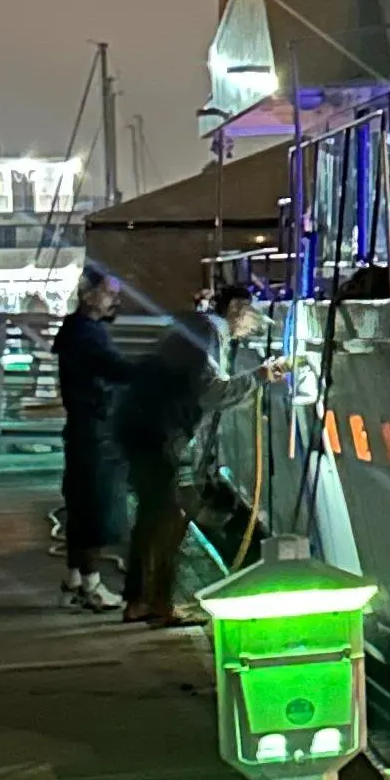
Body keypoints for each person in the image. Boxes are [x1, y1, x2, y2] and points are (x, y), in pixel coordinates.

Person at [114, 282, 282, 625]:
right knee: (166, 519)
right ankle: (156, 604)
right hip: (158, 432)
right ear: (235, 308)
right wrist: (260, 376)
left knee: (153, 517)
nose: (252, 328)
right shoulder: (209, 332)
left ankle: (140, 601)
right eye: (252, 317)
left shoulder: (196, 328)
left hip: (142, 426)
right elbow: (211, 393)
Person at [51, 268, 130, 611]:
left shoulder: (75, 330)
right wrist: (162, 371)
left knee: (81, 504)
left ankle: (75, 580)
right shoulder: (88, 335)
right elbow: (117, 369)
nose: (116, 300)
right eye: (110, 293)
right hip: (95, 430)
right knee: (96, 508)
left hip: (83, 428)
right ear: (88, 294)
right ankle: (93, 585)